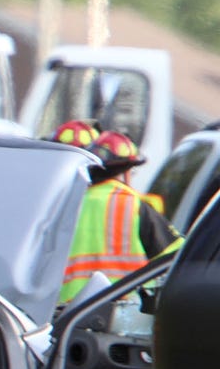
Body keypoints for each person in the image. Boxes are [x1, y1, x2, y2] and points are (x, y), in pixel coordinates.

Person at [57, 130, 181, 304]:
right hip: (122, 315)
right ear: (126, 172)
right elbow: (177, 257)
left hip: (64, 313)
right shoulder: (132, 205)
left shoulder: (65, 202)